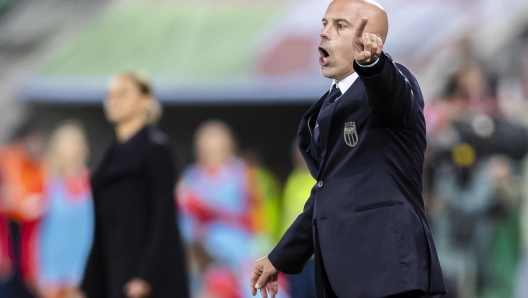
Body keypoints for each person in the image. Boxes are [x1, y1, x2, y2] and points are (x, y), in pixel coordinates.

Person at [250, 0, 447, 297]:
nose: (324, 33)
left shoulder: (394, 80)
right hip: (348, 277)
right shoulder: (333, 102)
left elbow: (393, 98)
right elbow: (328, 194)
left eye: (340, 26)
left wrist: (373, 64)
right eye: (325, 23)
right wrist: (279, 257)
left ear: (372, 39)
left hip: (388, 273)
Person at [79, 72, 189, 298]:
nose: (114, 100)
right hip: (114, 269)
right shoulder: (107, 160)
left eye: (123, 94)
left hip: (149, 277)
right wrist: (88, 284)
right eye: (110, 95)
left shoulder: (156, 150)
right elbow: (101, 228)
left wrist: (146, 275)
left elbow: (164, 216)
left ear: (146, 100)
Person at [178, 121, 287, 298]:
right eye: (206, 148)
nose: (211, 153)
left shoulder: (245, 174)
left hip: (243, 258)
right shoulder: (190, 179)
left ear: (229, 146)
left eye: (217, 147)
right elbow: (184, 223)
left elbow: (260, 219)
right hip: (204, 262)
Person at [38, 121, 94, 298]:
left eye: (75, 145)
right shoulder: (47, 184)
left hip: (83, 268)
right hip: (52, 270)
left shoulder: (93, 183)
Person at [0, 122, 46, 298]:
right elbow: (9, 198)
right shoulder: (9, 161)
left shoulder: (39, 164)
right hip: (11, 230)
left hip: (31, 234)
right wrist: (22, 205)